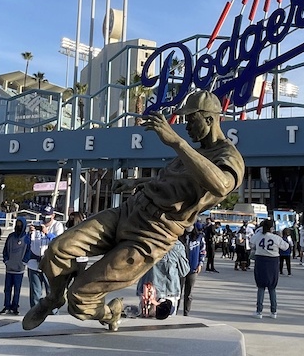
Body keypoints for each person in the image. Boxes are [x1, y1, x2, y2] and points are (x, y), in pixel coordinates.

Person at [22, 90, 244, 332]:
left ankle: (109, 313)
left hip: (152, 234)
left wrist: (176, 143)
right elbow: (170, 184)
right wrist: (135, 184)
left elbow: (222, 185)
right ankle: (53, 298)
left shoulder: (228, 155)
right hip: (130, 211)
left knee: (80, 299)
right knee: (57, 249)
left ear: (209, 119)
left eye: (191, 120)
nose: (186, 127)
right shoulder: (195, 150)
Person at [23, 204, 64, 308]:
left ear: (53, 215)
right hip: (34, 262)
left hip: (50, 263)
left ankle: (53, 312)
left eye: (47, 216)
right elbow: (26, 242)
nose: (45, 218)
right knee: (35, 291)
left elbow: (58, 243)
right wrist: (29, 233)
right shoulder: (37, 224)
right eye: (43, 215)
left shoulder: (57, 226)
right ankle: (35, 312)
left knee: (51, 290)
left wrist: (47, 233)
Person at [135, 240, 189, 318]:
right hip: (169, 292)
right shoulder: (177, 246)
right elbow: (184, 271)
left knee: (145, 324)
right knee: (167, 326)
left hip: (147, 291)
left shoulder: (146, 241)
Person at [249, 218, 289, 319]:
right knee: (272, 287)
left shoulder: (258, 236)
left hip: (260, 260)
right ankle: (273, 311)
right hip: (273, 261)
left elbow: (251, 242)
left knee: (261, 287)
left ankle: (259, 311)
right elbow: (286, 247)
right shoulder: (275, 237)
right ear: (272, 228)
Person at [0, 216, 28, 315]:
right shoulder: (11, 236)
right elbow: (5, 250)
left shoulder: (27, 238)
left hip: (19, 268)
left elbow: (29, 251)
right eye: (17, 224)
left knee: (17, 289)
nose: (19, 226)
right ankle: (6, 306)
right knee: (7, 289)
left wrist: (24, 262)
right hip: (9, 268)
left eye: (21, 224)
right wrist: (6, 260)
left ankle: (15, 306)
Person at [179, 222, 206, 316]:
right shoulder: (180, 236)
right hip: (180, 268)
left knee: (189, 293)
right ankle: (174, 312)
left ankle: (186, 313)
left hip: (193, 268)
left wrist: (200, 264)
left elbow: (203, 251)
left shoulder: (199, 237)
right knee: (178, 292)